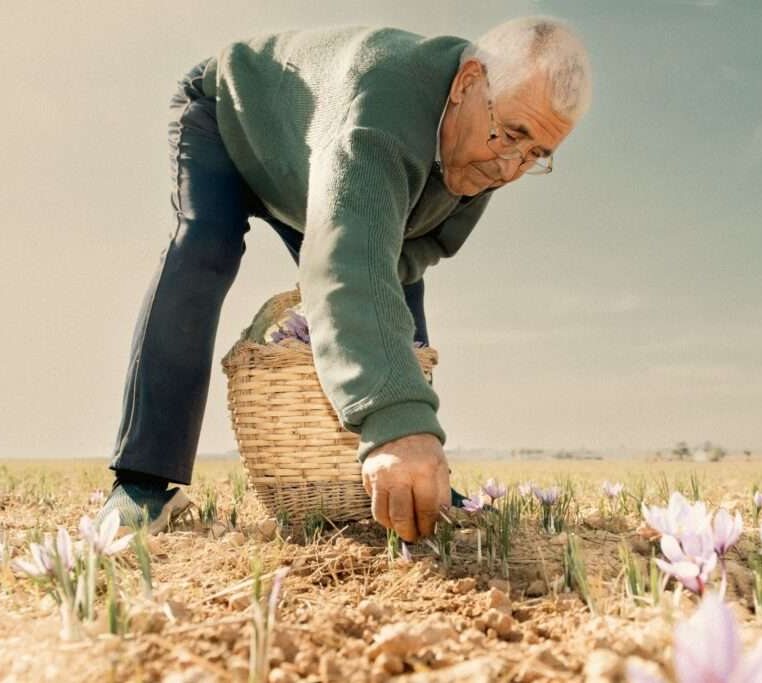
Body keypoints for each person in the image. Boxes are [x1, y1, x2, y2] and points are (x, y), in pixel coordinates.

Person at [100, 16, 593, 541]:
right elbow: (346, 259)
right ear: (468, 81)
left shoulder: (486, 146)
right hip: (231, 117)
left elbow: (411, 252)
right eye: (514, 135)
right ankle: (142, 481)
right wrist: (395, 419)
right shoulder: (382, 108)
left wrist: (362, 304)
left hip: (314, 168)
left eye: (538, 153)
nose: (513, 166)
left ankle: (415, 480)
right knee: (204, 248)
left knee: (394, 293)